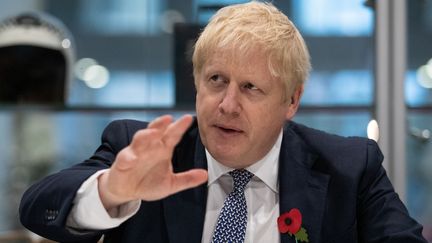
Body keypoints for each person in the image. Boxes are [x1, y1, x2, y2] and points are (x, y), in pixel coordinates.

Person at [19, 1, 427, 243]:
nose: (227, 105)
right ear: (197, 82)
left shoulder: (349, 168)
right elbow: (38, 209)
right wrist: (112, 190)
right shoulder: (145, 150)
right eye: (216, 80)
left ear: (292, 101)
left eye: (251, 88)